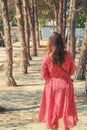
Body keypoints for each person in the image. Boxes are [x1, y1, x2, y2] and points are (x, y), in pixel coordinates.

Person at [38, 32, 78, 130]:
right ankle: (65, 127)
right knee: (66, 108)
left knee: (52, 108)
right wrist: (64, 76)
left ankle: (53, 127)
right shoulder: (68, 55)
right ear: (62, 42)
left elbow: (43, 74)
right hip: (66, 85)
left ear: (50, 43)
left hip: (52, 85)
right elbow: (72, 70)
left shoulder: (47, 57)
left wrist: (51, 78)